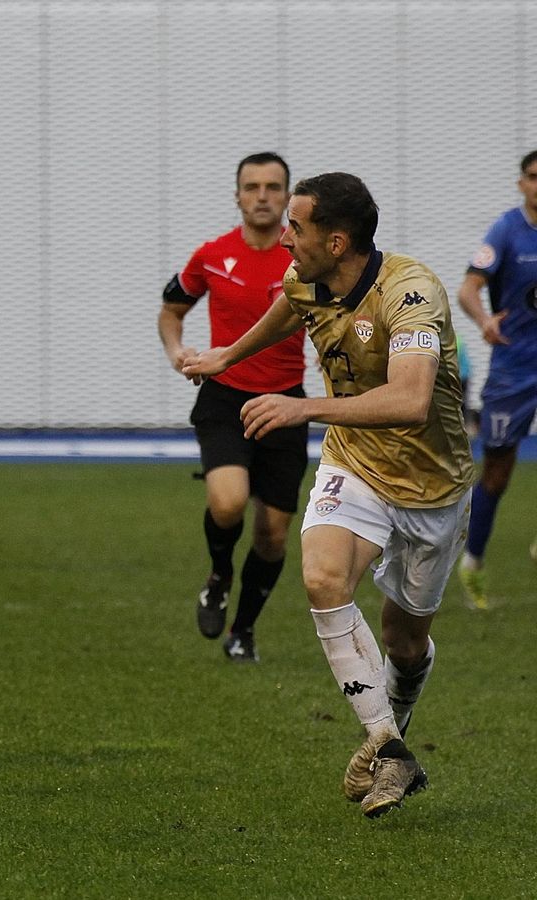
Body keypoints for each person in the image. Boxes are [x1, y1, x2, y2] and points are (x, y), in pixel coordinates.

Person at [183, 172, 474, 818]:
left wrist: (302, 408)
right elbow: (290, 308)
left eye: (297, 227)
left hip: (432, 487)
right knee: (321, 577)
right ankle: (388, 745)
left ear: (337, 242)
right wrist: (228, 357)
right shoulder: (305, 278)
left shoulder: (411, 293)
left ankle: (391, 734)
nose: (286, 238)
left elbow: (411, 399)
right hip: (355, 463)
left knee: (403, 642)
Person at [157, 152, 307, 663]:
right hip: (224, 398)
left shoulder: (306, 261)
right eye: (252, 187)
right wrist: (177, 351)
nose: (262, 196)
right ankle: (219, 575)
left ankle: (242, 631)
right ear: (238, 196)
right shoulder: (211, 255)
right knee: (227, 503)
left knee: (272, 535)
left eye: (273, 187)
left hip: (285, 403)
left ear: (288, 197)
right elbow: (171, 311)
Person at [454, 150, 537, 610]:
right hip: (514, 370)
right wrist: (484, 320)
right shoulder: (506, 231)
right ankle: (473, 563)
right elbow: (468, 288)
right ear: (521, 183)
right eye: (533, 177)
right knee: (497, 474)